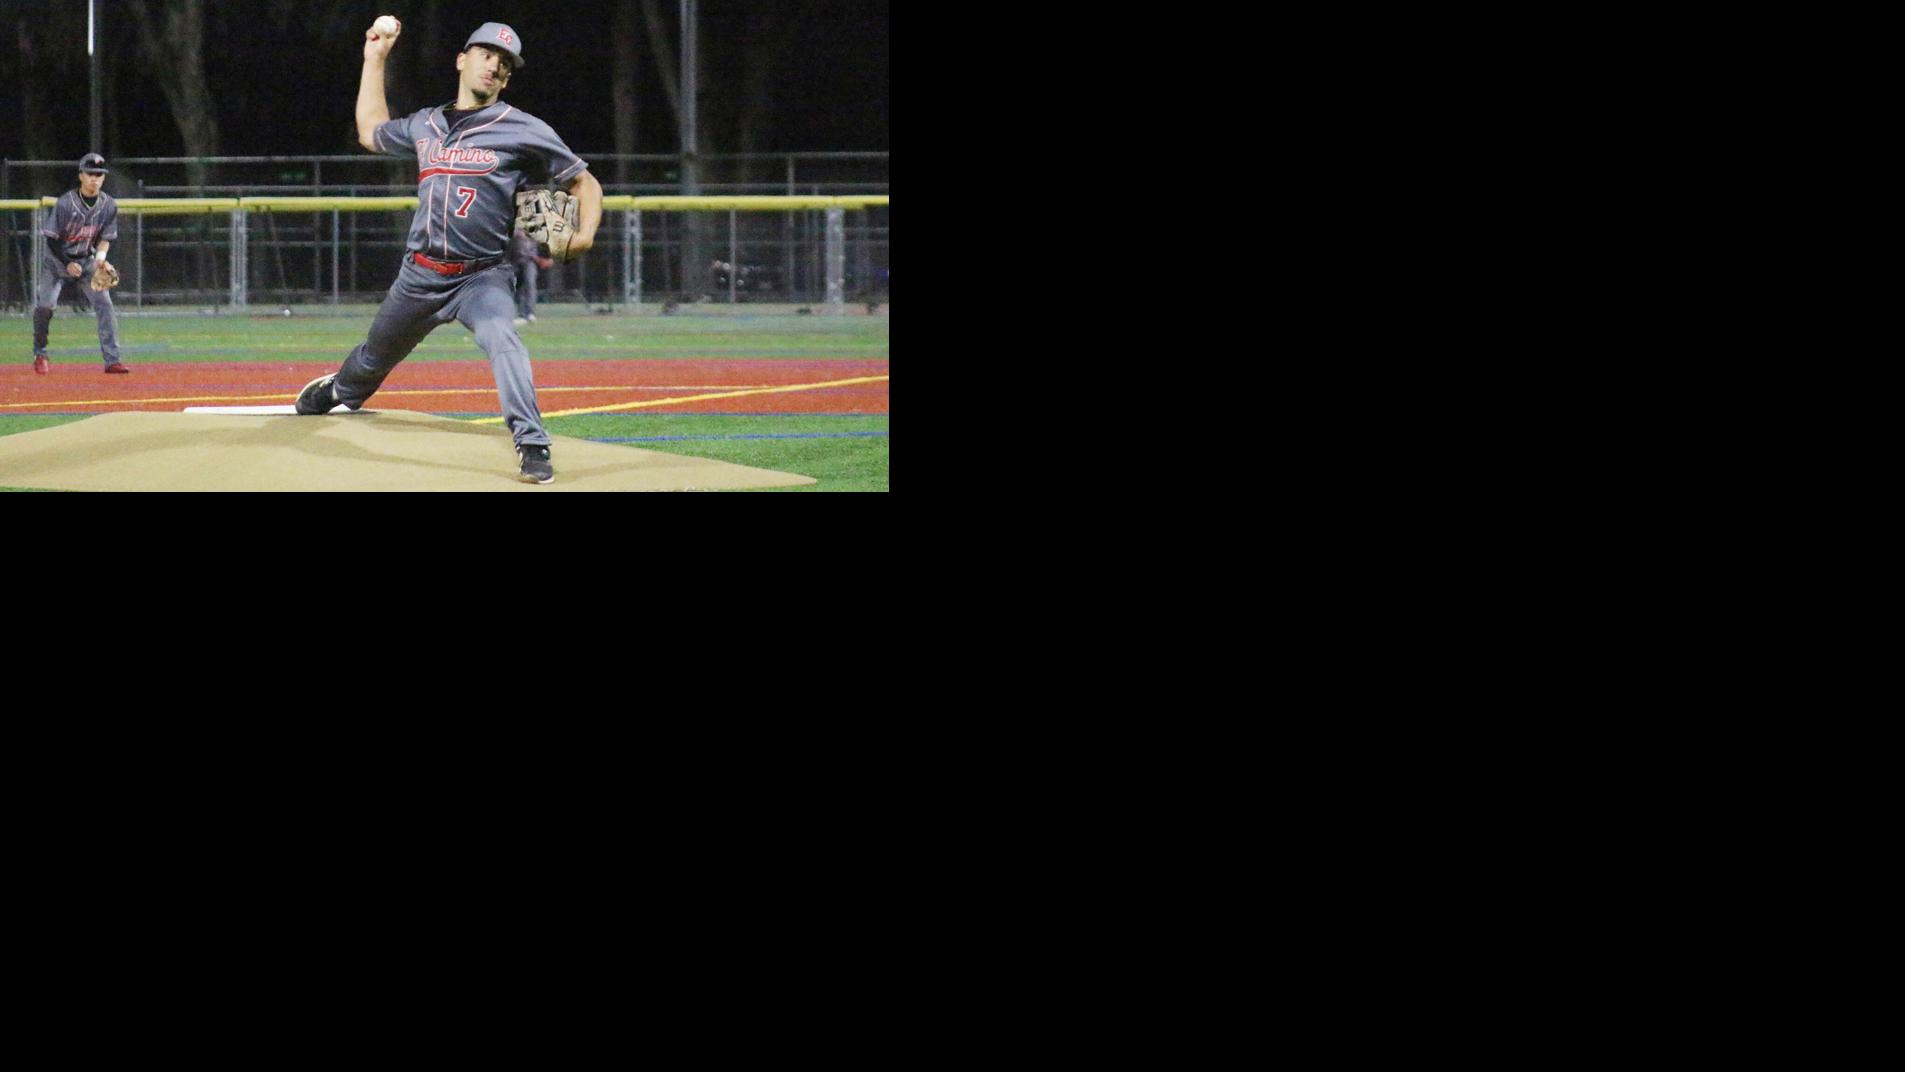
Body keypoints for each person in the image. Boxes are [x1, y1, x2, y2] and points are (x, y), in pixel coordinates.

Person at [295, 17, 601, 484]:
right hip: (419, 276)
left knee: (503, 338)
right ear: (462, 60)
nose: (494, 66)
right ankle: (340, 389)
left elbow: (584, 181)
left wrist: (584, 234)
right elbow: (371, 130)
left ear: (507, 77)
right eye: (486, 55)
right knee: (373, 360)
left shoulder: (522, 128)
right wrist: (374, 59)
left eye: (504, 63)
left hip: (483, 277)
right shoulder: (426, 124)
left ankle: (533, 443)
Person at [31, 153, 128, 375]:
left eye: (99, 175)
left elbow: (106, 238)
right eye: (90, 174)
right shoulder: (66, 203)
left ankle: (112, 360)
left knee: (105, 304)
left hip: (86, 261)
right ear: (81, 176)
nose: (95, 178)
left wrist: (100, 260)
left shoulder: (108, 205)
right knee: (46, 305)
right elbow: (52, 239)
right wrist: (66, 263)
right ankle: (40, 352)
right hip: (57, 262)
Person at [508, 228, 549, 325]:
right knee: (518, 287)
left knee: (530, 285)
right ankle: (521, 314)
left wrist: (544, 259)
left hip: (530, 262)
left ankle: (530, 313)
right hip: (515, 261)